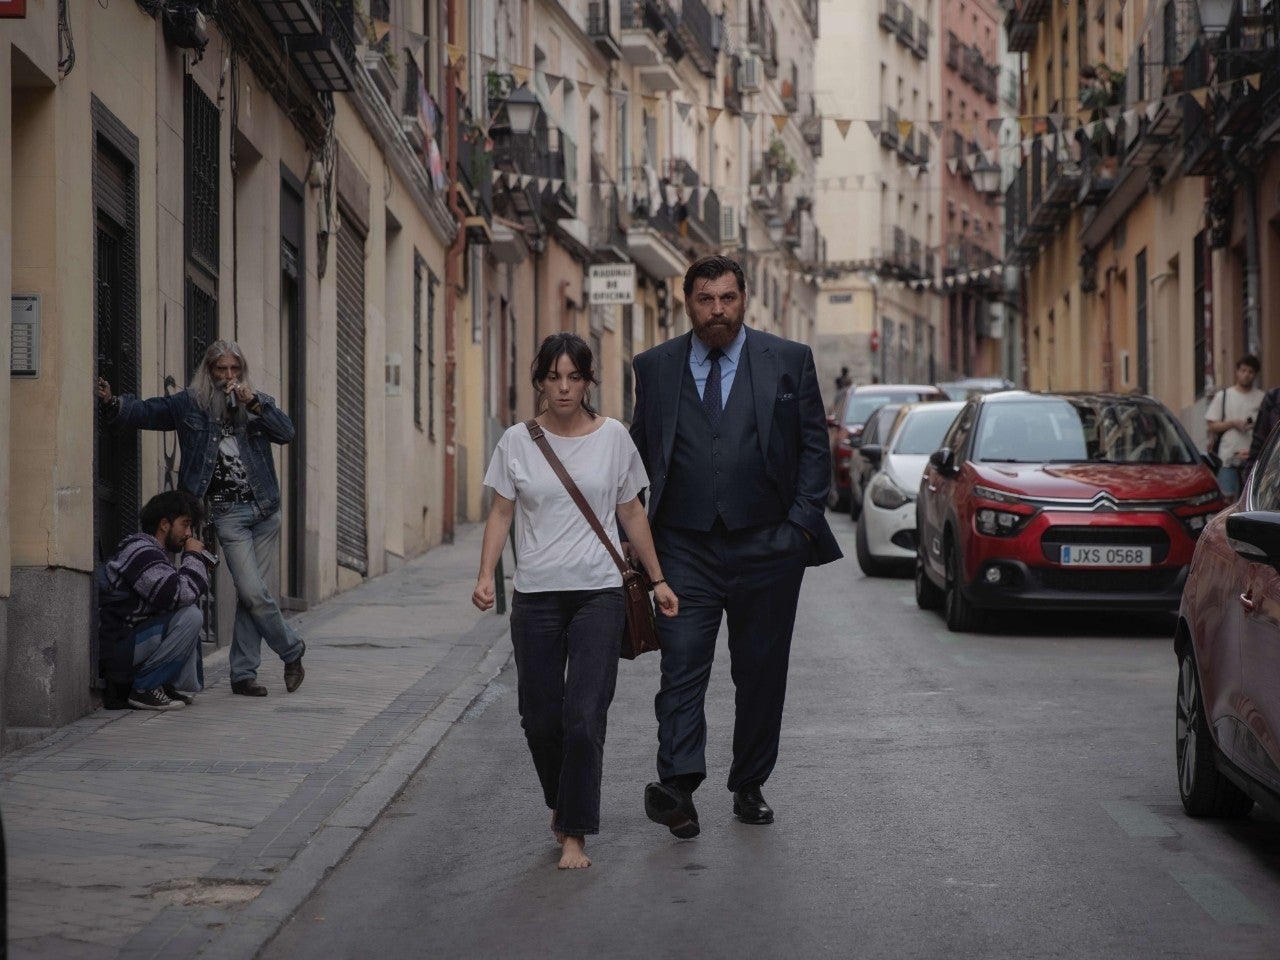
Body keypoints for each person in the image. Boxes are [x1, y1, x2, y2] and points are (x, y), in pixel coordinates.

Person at [629, 254, 842, 840]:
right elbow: (639, 454)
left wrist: (798, 529)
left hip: (768, 547)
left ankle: (749, 784)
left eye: (727, 298)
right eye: (705, 299)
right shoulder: (654, 367)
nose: (717, 309)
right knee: (682, 666)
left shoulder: (789, 361)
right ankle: (677, 785)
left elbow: (813, 450)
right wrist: (634, 538)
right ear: (687, 301)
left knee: (760, 672)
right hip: (682, 548)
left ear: (743, 298)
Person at [472, 333, 678, 870]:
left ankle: (574, 833)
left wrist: (657, 580)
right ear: (540, 379)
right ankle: (562, 802)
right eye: (554, 377)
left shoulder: (613, 438)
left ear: (588, 381)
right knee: (539, 719)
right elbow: (500, 512)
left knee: (584, 716)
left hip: (599, 592)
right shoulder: (518, 441)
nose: (564, 388)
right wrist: (485, 575)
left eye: (574, 377)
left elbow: (631, 512)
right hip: (536, 594)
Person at [96, 340, 306, 697]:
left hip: (267, 510)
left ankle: (242, 674)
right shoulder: (189, 404)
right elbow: (151, 412)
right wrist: (115, 404)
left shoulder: (256, 403)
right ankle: (292, 650)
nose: (228, 377)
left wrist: (254, 404)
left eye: (234, 369)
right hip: (227, 514)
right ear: (208, 372)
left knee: (250, 594)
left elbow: (286, 433)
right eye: (221, 369)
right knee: (255, 592)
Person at [99, 491, 214, 711]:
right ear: (164, 524)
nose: (188, 534)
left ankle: (161, 684)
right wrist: (193, 557)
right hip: (120, 650)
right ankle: (145, 688)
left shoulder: (155, 554)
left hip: (133, 645)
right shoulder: (140, 551)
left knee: (186, 613)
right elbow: (178, 594)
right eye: (185, 525)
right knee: (190, 616)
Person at [1206, 354, 1263, 501]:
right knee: (1226, 498)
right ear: (1237, 372)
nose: (1246, 375)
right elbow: (1212, 425)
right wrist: (1233, 423)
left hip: (1254, 457)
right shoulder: (1224, 396)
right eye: (1243, 371)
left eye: (1250, 372)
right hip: (1228, 456)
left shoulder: (1262, 397)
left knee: (1251, 500)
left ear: (1255, 374)